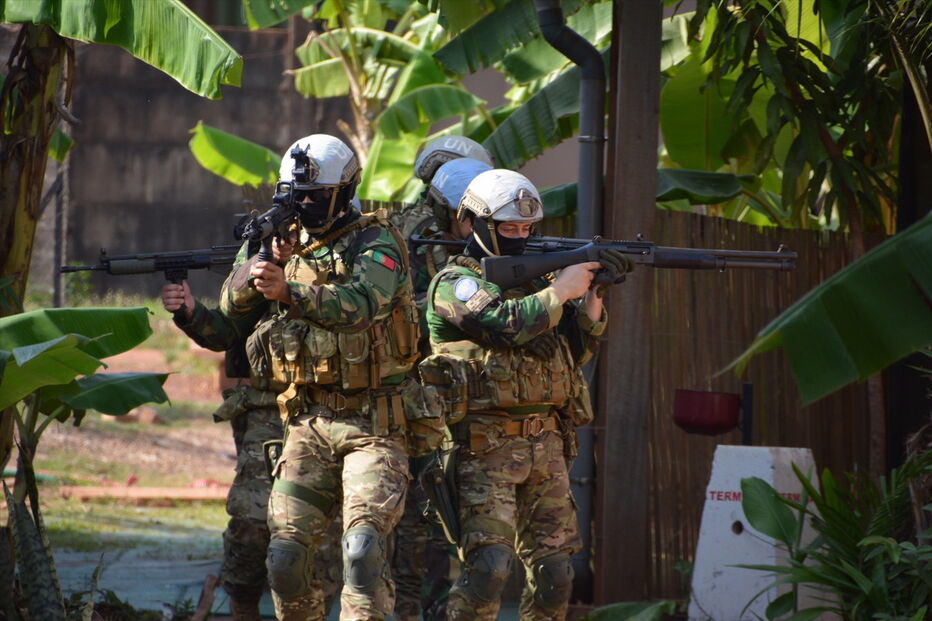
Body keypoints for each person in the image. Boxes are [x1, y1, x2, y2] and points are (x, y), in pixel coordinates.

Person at [221, 133, 440, 620]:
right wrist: (266, 261)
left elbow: (361, 305)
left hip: (374, 424)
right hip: (308, 420)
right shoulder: (280, 235)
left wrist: (289, 292)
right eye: (295, 195)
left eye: (315, 196)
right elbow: (230, 305)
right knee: (285, 559)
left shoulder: (376, 240)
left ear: (345, 191)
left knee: (362, 551)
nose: (304, 206)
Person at [419, 169, 634, 620]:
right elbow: (505, 326)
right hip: (482, 449)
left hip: (546, 445)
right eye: (508, 228)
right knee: (488, 570)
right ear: (473, 223)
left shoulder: (539, 285)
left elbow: (574, 352)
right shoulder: (455, 282)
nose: (519, 238)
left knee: (556, 574)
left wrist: (592, 296)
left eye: (526, 229)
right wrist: (561, 291)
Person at [161, 234, 343, 620]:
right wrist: (190, 312)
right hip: (268, 409)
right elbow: (227, 329)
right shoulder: (262, 250)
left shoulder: (358, 250)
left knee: (323, 540)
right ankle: (244, 605)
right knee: (251, 523)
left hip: (334, 410)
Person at [390, 153, 494, 621]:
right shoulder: (406, 241)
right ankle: (411, 608)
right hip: (414, 397)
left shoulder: (490, 247)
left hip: (468, 402)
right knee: (416, 519)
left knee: (460, 521)